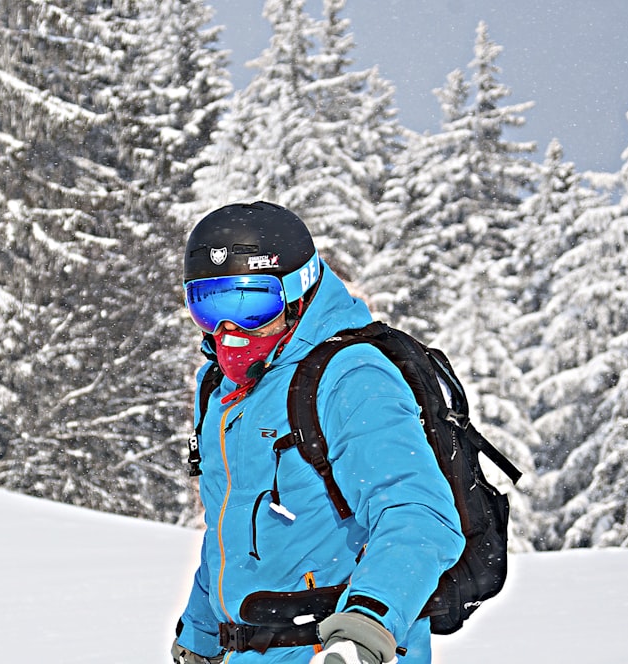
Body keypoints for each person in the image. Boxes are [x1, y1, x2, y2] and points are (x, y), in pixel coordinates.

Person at [172, 202, 464, 664]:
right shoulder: (219, 389)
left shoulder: (351, 377)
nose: (228, 332)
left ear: (298, 293)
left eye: (249, 305)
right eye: (210, 307)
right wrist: (201, 634)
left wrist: (364, 630)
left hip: (334, 651)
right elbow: (229, 530)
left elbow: (419, 515)